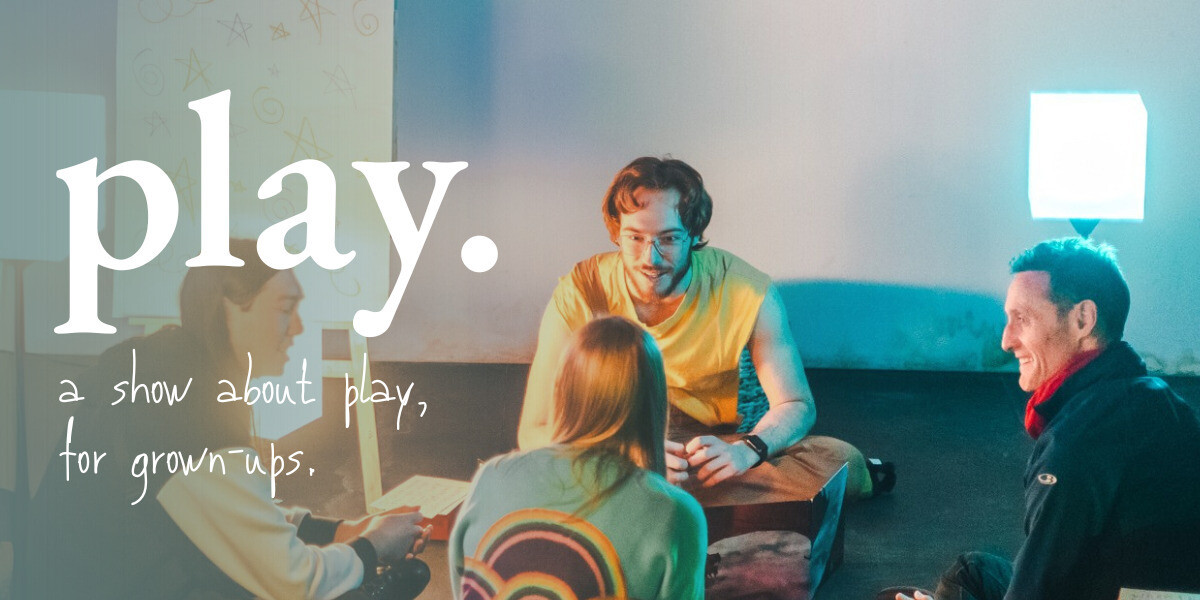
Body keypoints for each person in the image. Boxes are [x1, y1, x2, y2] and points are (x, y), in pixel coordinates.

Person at [28, 240, 431, 600]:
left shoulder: (173, 367)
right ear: (229, 308)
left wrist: (339, 531)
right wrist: (374, 546)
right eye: (285, 309)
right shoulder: (188, 406)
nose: (298, 327)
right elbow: (294, 583)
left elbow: (231, 513)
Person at [518, 156, 887, 501]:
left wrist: (747, 451)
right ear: (617, 232)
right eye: (635, 238)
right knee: (532, 475)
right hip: (620, 444)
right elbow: (534, 429)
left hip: (723, 445)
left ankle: (657, 502)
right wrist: (625, 455)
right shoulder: (581, 291)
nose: (651, 258)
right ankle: (707, 505)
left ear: (693, 234)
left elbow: (796, 404)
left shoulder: (747, 289)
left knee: (841, 463)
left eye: (669, 238)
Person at [887, 238, 1200, 600]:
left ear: (1082, 319)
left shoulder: (1075, 446)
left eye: (1022, 319)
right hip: (1126, 581)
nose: (1006, 341)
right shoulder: (1152, 398)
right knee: (973, 571)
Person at [451, 316, 707, 599]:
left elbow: (464, 583)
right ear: (653, 402)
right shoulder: (676, 514)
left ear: (560, 388)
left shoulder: (490, 476)